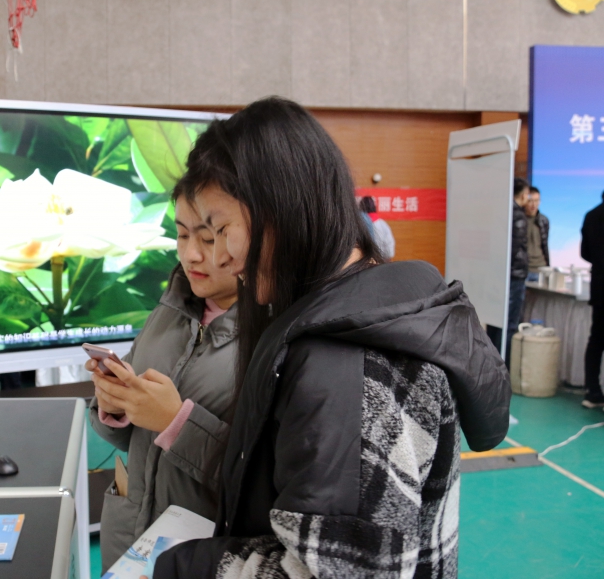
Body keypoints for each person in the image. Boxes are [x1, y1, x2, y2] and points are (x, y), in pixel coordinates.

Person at [150, 97, 511, 579]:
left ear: (280, 208)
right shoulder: (381, 306)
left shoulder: (343, 367)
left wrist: (185, 565)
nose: (218, 259)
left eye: (220, 229)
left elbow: (346, 572)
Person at [88, 191, 239, 569]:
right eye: (182, 235)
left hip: (197, 553)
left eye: (208, 239)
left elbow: (259, 483)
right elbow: (129, 440)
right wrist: (114, 405)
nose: (190, 254)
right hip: (129, 537)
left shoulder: (275, 338)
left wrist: (176, 422)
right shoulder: (172, 305)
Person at [581, 191, 604, 408]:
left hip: (599, 286)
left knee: (596, 339)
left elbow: (585, 253)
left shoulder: (591, 215)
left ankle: (592, 390)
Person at [505, 178, 531, 366]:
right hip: (514, 276)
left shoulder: (504, 211)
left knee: (499, 324)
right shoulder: (518, 216)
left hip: (503, 275)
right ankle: (505, 366)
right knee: (511, 324)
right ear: (522, 195)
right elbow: (514, 249)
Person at [524, 186, 550, 283]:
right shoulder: (518, 220)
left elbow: (545, 245)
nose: (534, 204)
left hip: (541, 268)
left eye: (537, 200)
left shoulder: (544, 220)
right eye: (530, 201)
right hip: (524, 269)